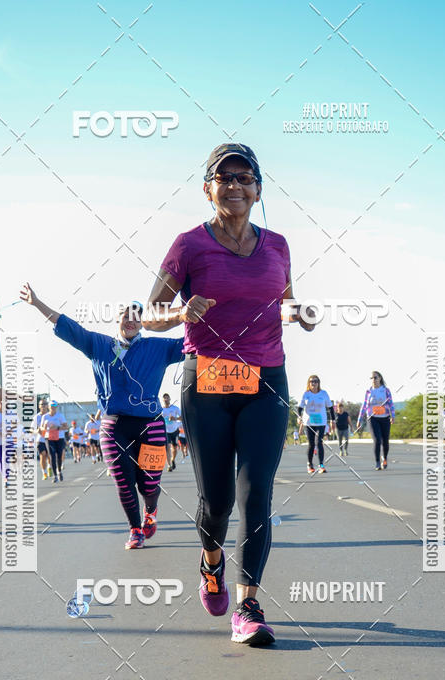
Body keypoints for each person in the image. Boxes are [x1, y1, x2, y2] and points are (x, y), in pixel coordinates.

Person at [142, 141, 314, 646]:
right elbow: (150, 311)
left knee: (255, 493)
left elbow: (283, 300)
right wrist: (179, 313)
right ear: (207, 188)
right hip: (208, 381)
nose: (234, 186)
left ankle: (248, 605)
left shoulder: (278, 245)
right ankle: (211, 562)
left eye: (244, 178)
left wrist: (297, 314)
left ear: (258, 191)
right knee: (216, 502)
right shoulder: (189, 245)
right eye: (225, 178)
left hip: (267, 378)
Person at [20, 283, 184, 549]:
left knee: (149, 485)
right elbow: (69, 327)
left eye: (136, 317)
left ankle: (150, 511)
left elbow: (196, 342)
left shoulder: (158, 347)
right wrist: (37, 303)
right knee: (124, 478)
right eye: (125, 316)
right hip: (113, 425)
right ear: (117, 319)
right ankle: (135, 530)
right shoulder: (99, 345)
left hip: (151, 424)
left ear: (143, 323)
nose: (129, 321)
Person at [356, 370, 395, 470]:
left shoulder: (386, 390)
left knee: (385, 441)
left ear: (380, 378)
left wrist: (392, 416)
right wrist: (359, 419)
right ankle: (377, 462)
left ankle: (384, 458)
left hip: (385, 418)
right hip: (372, 418)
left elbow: (391, 404)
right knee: (377, 440)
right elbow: (364, 405)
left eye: (375, 377)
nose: (373, 380)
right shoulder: (369, 391)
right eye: (371, 378)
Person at [298, 376, 334, 474]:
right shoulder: (306, 394)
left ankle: (321, 464)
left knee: (319, 443)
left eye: (316, 381)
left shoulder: (324, 394)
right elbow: (300, 407)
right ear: (309, 383)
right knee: (311, 444)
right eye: (311, 381)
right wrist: (299, 417)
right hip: (309, 422)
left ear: (319, 383)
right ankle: (310, 464)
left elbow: (330, 407)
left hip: (321, 422)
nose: (314, 383)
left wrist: (332, 420)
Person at [41, 401, 68, 483]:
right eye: (51, 405)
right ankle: (55, 476)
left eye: (55, 405)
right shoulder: (45, 417)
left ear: (56, 407)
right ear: (48, 407)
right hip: (49, 438)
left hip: (59, 438)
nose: (53, 407)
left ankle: (59, 471)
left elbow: (66, 427)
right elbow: (41, 429)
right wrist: (45, 427)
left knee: (59, 456)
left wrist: (57, 427)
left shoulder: (60, 416)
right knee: (52, 456)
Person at [161, 393, 182, 470]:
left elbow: (182, 417)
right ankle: (169, 465)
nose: (166, 399)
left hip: (175, 431)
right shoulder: (161, 410)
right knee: (168, 448)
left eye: (167, 398)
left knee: (175, 448)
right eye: (164, 398)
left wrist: (174, 418)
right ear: (163, 400)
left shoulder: (175, 408)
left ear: (170, 399)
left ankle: (173, 460)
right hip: (166, 432)